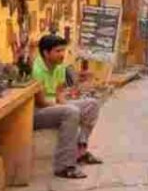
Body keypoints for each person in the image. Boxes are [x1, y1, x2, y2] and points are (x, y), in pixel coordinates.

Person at [31, 34, 103, 179]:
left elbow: (59, 93)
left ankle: (80, 150)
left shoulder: (59, 67)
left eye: (63, 50)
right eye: (58, 51)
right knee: (70, 112)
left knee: (91, 105)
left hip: (52, 105)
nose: (62, 54)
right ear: (46, 53)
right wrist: (66, 108)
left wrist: (65, 104)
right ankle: (64, 166)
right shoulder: (36, 70)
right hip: (37, 112)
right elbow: (40, 101)